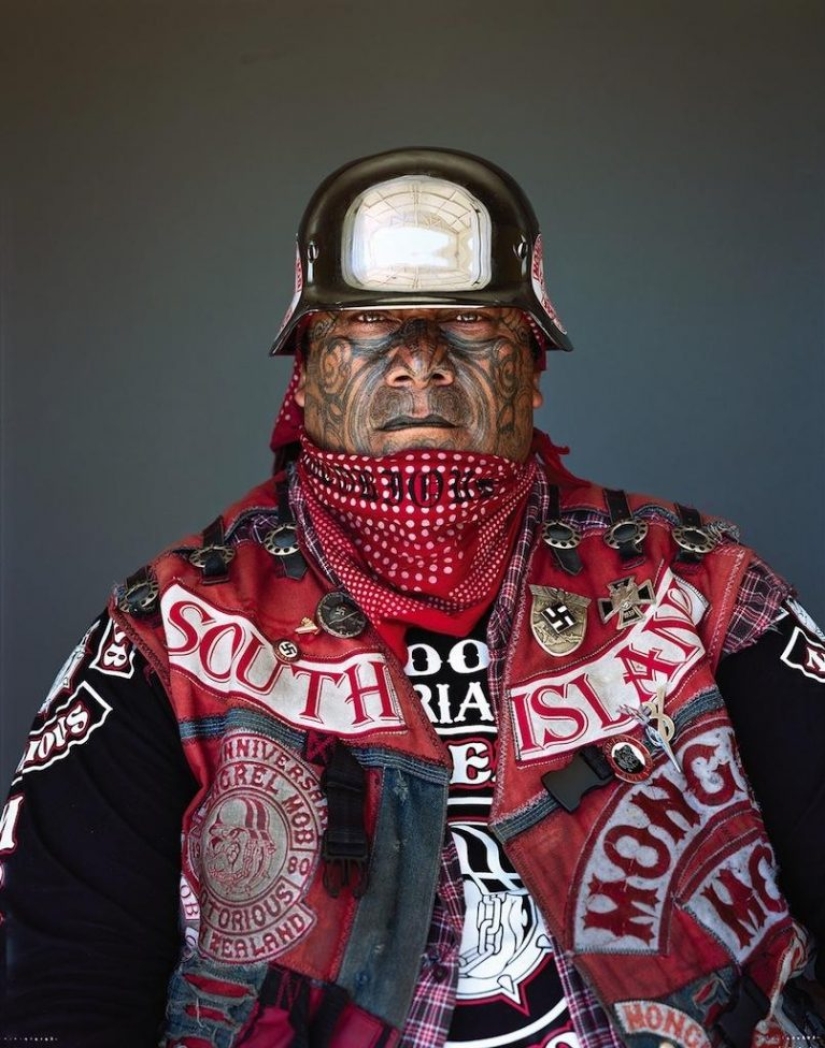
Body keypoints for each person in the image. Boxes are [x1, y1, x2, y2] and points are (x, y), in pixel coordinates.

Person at [1, 147, 823, 1048]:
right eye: (369, 330)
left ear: (533, 367)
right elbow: (64, 979)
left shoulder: (696, 580)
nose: (419, 367)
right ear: (306, 371)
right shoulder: (172, 627)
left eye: (469, 331)